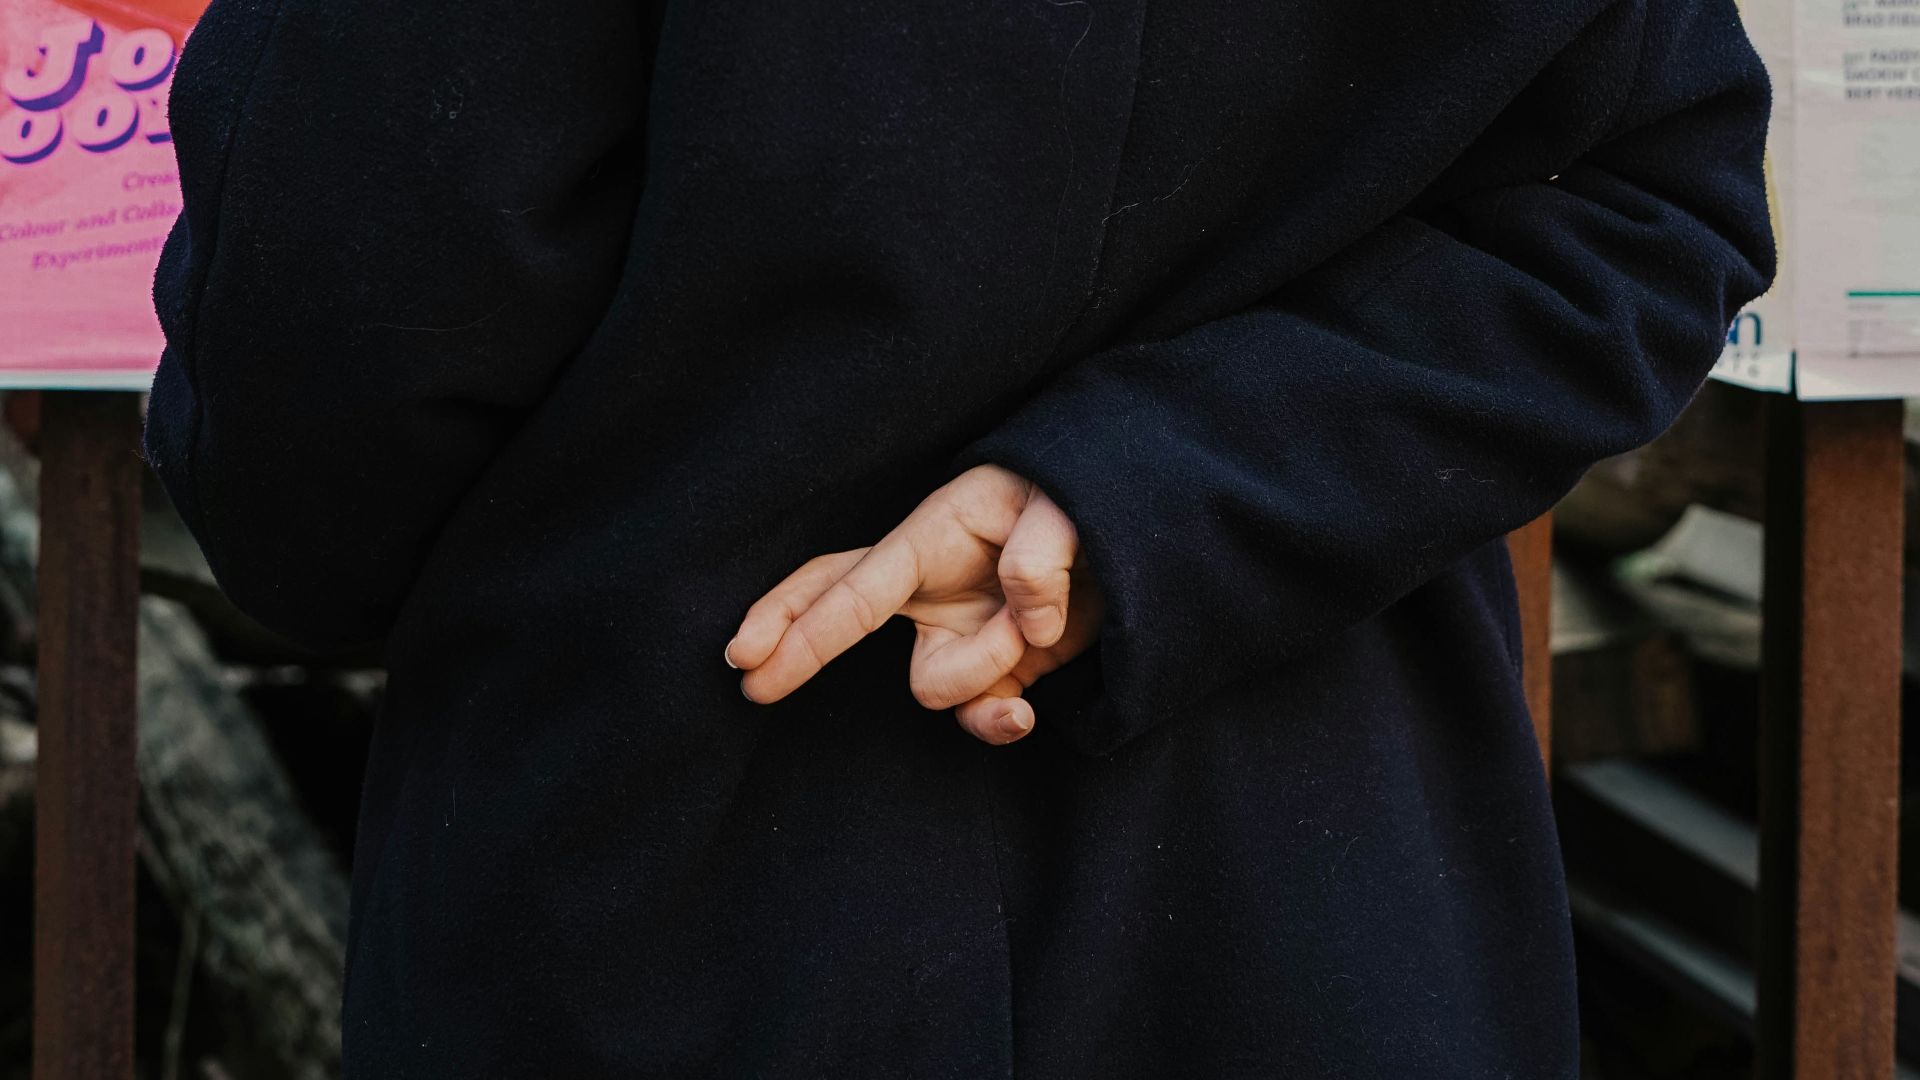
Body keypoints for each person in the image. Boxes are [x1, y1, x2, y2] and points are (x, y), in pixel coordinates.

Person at [140, 0, 1775, 1075]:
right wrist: (1169, 488)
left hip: (668, 868)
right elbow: (1640, 204)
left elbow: (332, 352)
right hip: (1316, 891)